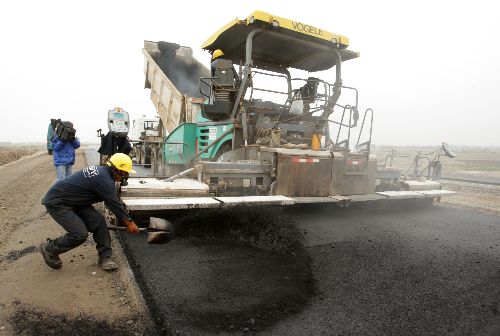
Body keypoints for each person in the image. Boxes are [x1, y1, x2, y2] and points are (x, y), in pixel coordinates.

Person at [40, 153, 140, 271]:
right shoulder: (105, 180)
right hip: (58, 202)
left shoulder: (104, 173)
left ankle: (105, 257)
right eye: (124, 172)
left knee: (99, 221)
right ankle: (50, 248)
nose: (126, 176)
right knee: (79, 234)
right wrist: (129, 223)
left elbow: (113, 200)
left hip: (75, 201)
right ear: (116, 169)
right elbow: (114, 204)